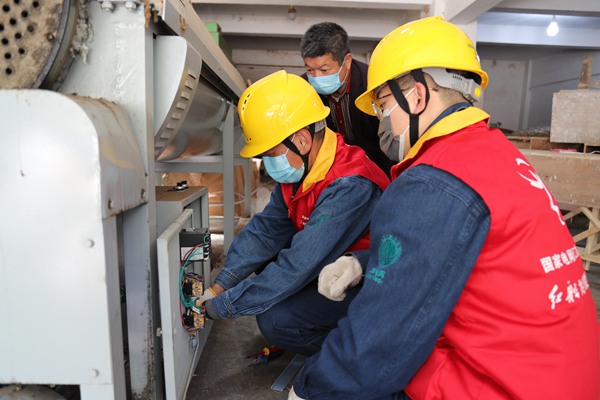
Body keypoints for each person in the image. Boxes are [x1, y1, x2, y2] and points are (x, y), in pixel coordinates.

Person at [289, 16, 600, 399]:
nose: (383, 122)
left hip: (507, 385)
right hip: (563, 374)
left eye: (383, 105)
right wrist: (366, 262)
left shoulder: (433, 180)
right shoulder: (498, 154)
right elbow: (465, 249)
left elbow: (381, 337)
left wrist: (311, 387)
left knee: (386, 359)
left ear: (416, 97)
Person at [199, 70, 390, 356]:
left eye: (270, 153)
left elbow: (298, 264)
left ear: (301, 140)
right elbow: (265, 232)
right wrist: (219, 286)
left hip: (368, 283)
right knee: (265, 261)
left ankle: (362, 354)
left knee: (276, 320)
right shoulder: (301, 169)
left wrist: (223, 307)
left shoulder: (350, 184)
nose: (268, 163)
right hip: (331, 266)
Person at [300, 22, 395, 176]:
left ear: (347, 61)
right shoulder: (303, 89)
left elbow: (388, 142)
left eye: (324, 70)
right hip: (329, 174)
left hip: (376, 170)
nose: (316, 77)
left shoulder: (373, 84)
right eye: (310, 70)